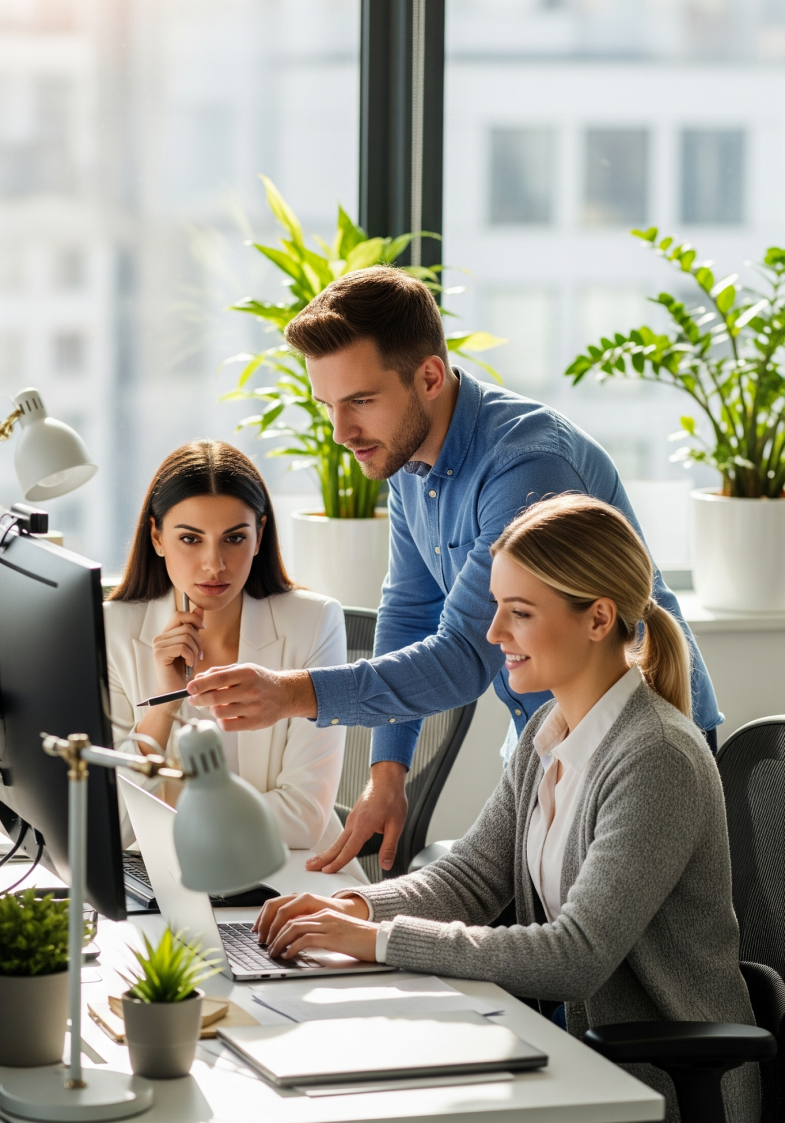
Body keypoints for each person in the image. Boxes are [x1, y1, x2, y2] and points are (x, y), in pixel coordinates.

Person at [185, 267, 722, 875]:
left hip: (635, 748)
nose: (341, 432)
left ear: (430, 377)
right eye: (328, 406)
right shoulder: (405, 457)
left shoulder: (527, 468)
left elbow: (465, 656)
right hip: (545, 743)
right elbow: (410, 611)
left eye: (360, 401)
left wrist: (290, 694)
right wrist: (388, 770)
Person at [251, 495, 758, 1123]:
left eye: (519, 612)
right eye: (495, 607)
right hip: (572, 1052)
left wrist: (376, 940)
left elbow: (575, 957)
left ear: (598, 618)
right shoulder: (549, 729)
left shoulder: (656, 757)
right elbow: (471, 878)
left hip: (659, 1085)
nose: (493, 634)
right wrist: (353, 908)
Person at [104, 440, 362, 876]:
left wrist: (166, 811)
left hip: (290, 874)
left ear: (259, 535)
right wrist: (162, 707)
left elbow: (304, 818)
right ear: (157, 537)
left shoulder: (314, 622)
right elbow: (110, 821)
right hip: (160, 876)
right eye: (190, 539)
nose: (214, 564)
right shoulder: (113, 629)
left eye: (234, 538)